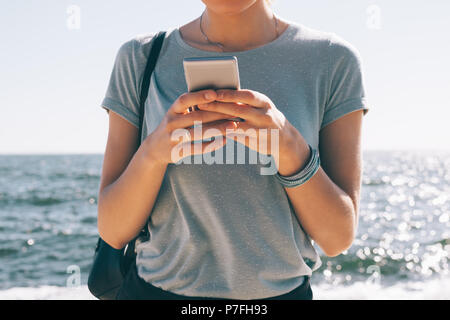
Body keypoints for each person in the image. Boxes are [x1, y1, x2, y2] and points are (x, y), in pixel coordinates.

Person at [97, 0, 369, 300]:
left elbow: (337, 238)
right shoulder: (141, 57)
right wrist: (153, 154)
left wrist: (291, 150)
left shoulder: (331, 59)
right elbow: (113, 230)